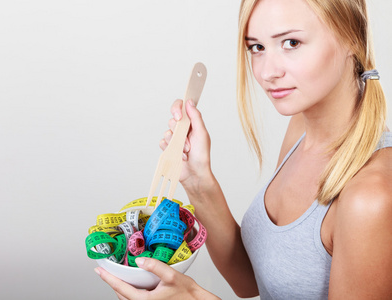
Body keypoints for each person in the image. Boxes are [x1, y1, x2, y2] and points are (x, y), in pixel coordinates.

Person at [94, 0, 392, 298]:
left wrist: (196, 297)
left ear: (352, 38)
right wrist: (197, 179)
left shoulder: (370, 197)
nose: (267, 73)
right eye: (256, 48)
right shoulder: (301, 128)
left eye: (291, 42)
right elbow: (251, 280)